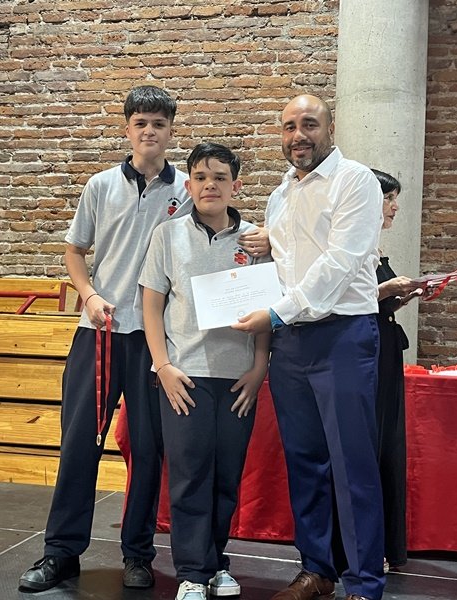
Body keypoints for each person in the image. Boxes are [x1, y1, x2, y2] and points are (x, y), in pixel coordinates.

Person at [18, 85, 193, 593]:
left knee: (147, 450)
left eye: (159, 124)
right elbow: (74, 252)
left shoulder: (186, 191)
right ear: (127, 129)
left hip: (155, 341)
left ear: (170, 131)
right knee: (79, 445)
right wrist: (89, 295)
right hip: (98, 333)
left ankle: (138, 554)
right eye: (141, 123)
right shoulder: (100, 186)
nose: (149, 132)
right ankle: (60, 553)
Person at [233, 94, 386, 600]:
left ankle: (364, 583)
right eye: (289, 126)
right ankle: (316, 570)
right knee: (304, 461)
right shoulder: (280, 195)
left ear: (329, 127)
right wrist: (266, 245)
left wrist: (276, 312)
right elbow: (287, 263)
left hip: (342, 336)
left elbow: (339, 263)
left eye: (309, 124)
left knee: (352, 463)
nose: (298, 135)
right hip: (291, 343)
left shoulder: (355, 181)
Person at [140, 142, 271, 600]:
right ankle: (192, 573)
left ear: (236, 185)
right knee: (190, 476)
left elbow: (267, 309)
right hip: (186, 376)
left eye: (219, 177)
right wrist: (163, 366)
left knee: (226, 476)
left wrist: (259, 368)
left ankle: (217, 565)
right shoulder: (167, 235)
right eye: (200, 177)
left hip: (238, 379)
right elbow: (151, 306)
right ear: (189, 184)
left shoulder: (257, 240)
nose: (209, 185)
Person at [371, 168, 421, 572]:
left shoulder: (376, 248)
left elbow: (377, 303)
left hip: (386, 350)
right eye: (388, 198)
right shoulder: (352, 248)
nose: (395, 206)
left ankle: (387, 543)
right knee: (371, 444)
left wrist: (401, 296)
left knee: (388, 443)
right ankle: (370, 546)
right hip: (365, 353)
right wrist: (387, 290)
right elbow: (338, 299)